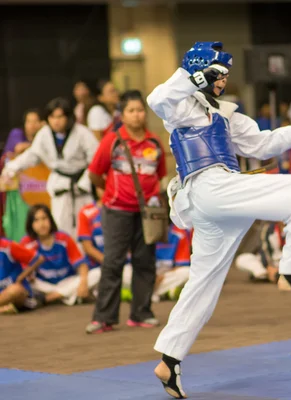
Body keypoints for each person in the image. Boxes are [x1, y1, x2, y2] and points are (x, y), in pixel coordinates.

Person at [146, 41, 291, 398]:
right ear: (201, 73)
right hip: (210, 188)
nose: (222, 82)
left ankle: (169, 360)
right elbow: (157, 99)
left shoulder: (228, 114)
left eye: (225, 77)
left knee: (203, 286)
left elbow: (262, 144)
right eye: (218, 76)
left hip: (220, 203)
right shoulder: (181, 105)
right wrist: (190, 76)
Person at [85, 90, 167, 334]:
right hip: (116, 211)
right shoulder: (112, 140)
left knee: (145, 262)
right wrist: (110, 192)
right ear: (122, 114)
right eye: (131, 111)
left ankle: (141, 313)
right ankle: (104, 318)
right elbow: (93, 174)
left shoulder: (154, 142)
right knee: (113, 262)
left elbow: (159, 175)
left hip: (147, 214)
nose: (137, 115)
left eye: (140, 110)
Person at [1, 98, 99, 239]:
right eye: (52, 117)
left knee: (87, 229)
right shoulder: (45, 133)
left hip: (82, 186)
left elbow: (96, 160)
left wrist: (85, 182)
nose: (56, 121)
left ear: (68, 117)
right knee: (60, 228)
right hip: (60, 186)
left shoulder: (82, 133)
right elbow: (33, 155)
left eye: (60, 116)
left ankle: (86, 260)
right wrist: (11, 167)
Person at [20, 204, 100, 306]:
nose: (41, 224)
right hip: (43, 285)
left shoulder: (64, 238)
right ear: (31, 224)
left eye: (44, 218)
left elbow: (81, 265)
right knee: (25, 285)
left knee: (98, 273)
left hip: (67, 281)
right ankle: (70, 296)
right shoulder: (27, 243)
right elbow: (24, 273)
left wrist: (83, 283)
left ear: (50, 220)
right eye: (36, 220)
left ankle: (53, 297)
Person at [0, 236, 44, 314]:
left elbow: (38, 259)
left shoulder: (8, 246)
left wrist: (21, 277)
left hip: (14, 292)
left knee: (15, 290)